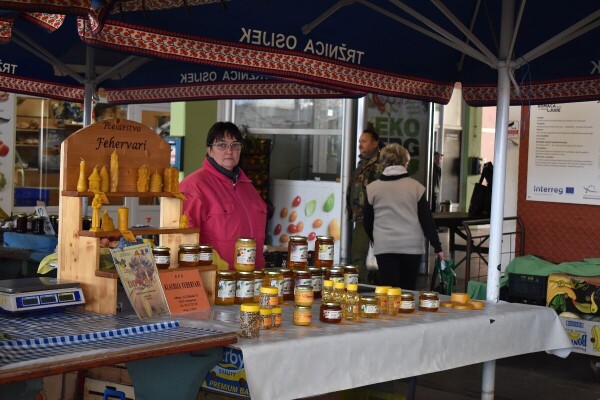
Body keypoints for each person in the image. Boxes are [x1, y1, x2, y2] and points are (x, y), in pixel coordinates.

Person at [180, 122, 267, 269]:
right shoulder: (194, 186)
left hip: (252, 276)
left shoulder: (248, 187)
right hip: (215, 276)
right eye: (222, 145)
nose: (229, 151)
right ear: (209, 150)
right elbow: (184, 240)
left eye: (235, 145)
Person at [363, 143, 444, 290]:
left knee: (389, 291)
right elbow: (426, 220)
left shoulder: (372, 189)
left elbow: (367, 221)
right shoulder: (416, 187)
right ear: (405, 163)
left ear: (383, 163)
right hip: (412, 247)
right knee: (407, 291)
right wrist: (437, 247)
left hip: (385, 246)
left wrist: (374, 238)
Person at [346, 127, 384, 283]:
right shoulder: (362, 162)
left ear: (375, 143)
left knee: (363, 254)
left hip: (374, 216)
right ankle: (362, 284)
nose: (360, 144)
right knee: (358, 253)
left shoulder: (380, 163)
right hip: (361, 215)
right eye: (360, 141)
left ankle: (365, 285)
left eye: (364, 141)